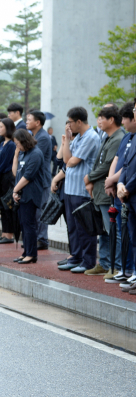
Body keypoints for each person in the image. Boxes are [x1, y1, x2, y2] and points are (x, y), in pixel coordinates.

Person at [80, 106, 123, 276]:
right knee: (104, 230)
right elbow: (100, 162)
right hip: (99, 191)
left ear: (111, 119)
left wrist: (88, 177)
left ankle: (116, 265)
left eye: (101, 118)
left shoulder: (118, 138)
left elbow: (107, 165)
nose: (98, 121)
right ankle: (105, 262)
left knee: (113, 230)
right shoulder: (107, 137)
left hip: (107, 192)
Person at [57, 107, 101, 272]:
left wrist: (68, 143)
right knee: (73, 227)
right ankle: (76, 256)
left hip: (82, 190)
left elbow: (70, 161)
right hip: (70, 188)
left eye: (70, 122)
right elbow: (63, 157)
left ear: (79, 122)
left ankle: (88, 261)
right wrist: (67, 140)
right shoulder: (78, 137)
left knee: (84, 227)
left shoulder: (90, 137)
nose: (68, 125)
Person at [111, 101, 136, 290]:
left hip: (132, 191)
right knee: (131, 236)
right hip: (127, 193)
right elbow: (124, 164)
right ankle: (132, 272)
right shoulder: (130, 138)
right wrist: (118, 182)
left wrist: (126, 186)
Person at [12, 129, 46, 264]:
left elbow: (28, 176)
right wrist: (15, 155)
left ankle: (31, 254)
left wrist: (14, 190)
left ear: (24, 141)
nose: (17, 147)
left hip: (31, 194)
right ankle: (26, 251)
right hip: (22, 194)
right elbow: (16, 173)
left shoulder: (36, 154)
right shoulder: (23, 153)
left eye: (18, 144)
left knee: (29, 224)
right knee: (23, 224)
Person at [26, 110, 52, 250]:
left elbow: (34, 157)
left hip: (41, 179)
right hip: (34, 179)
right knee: (35, 211)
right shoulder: (33, 135)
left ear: (37, 122)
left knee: (41, 211)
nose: (27, 121)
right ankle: (36, 238)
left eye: (29, 119)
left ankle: (42, 239)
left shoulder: (43, 137)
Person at [0, 118, 16, 244]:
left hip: (6, 177)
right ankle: (4, 233)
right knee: (1, 206)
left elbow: (4, 163)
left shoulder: (11, 144)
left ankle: (9, 235)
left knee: (7, 206)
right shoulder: (2, 144)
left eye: (1, 127)